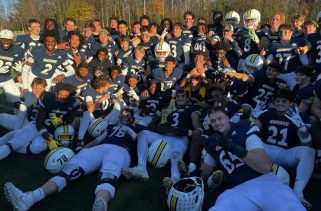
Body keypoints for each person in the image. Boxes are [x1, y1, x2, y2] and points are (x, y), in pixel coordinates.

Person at [3, 108, 145, 211]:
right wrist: (83, 149)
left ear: (132, 117)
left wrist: (131, 132)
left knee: (108, 172)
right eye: (122, 114)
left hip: (121, 150)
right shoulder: (112, 126)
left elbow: (142, 142)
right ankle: (29, 198)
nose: (123, 116)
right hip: (102, 147)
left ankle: (101, 202)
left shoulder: (138, 127)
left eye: (127, 114)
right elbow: (97, 140)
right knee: (70, 170)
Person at [201, 106, 306, 210]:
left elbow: (264, 166)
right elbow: (205, 172)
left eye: (220, 118)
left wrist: (234, 148)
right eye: (213, 121)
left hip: (264, 182)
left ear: (227, 118)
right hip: (238, 190)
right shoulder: (212, 142)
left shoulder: (243, 128)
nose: (217, 123)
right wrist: (196, 169)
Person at [122, 89, 202, 186]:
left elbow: (198, 130)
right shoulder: (172, 113)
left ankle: (174, 179)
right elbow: (164, 127)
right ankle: (141, 168)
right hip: (167, 136)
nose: (179, 98)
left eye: (183, 96)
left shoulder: (192, 109)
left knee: (176, 154)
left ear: (188, 99)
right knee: (143, 134)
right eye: (178, 96)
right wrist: (160, 127)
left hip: (181, 138)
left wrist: (186, 131)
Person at [253, 89, 314, 208]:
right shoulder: (267, 113)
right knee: (250, 140)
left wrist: (302, 129)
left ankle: (298, 191)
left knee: (309, 152)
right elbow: (251, 133)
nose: (280, 103)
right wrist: (252, 120)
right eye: (278, 100)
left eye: (284, 101)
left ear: (291, 103)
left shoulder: (299, 116)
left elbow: (308, 146)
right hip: (266, 151)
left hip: (286, 154)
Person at [0, 82, 80, 160]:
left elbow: (71, 119)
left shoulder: (74, 103)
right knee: (12, 144)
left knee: (38, 148)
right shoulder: (48, 99)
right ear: (56, 93)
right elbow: (39, 122)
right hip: (36, 127)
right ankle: (12, 142)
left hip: (51, 132)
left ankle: (15, 138)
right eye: (59, 94)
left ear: (70, 96)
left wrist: (62, 121)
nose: (61, 97)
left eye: (65, 96)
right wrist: (49, 139)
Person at [0, 29, 25, 103]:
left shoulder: (17, 49)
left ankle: (19, 114)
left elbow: (17, 64)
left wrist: (19, 72)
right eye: (3, 39)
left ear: (12, 40)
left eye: (9, 40)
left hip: (7, 78)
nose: (6, 42)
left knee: (18, 101)